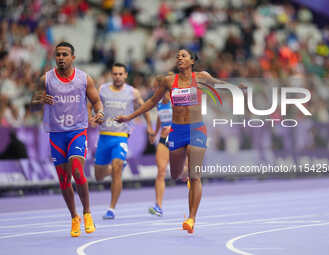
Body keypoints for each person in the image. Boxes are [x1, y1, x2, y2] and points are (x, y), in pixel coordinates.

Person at [116, 49, 244, 233]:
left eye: (183, 56)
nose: (179, 58)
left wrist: (237, 88)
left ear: (192, 60)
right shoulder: (169, 81)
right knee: (176, 174)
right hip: (176, 132)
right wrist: (130, 117)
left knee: (195, 175)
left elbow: (220, 85)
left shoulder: (201, 77)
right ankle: (184, 174)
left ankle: (191, 218)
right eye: (177, 56)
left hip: (196, 129)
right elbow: (152, 101)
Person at [31, 41, 104, 237]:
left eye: (65, 54)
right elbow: (32, 103)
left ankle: (87, 213)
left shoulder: (84, 79)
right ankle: (74, 217)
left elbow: (96, 101)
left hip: (77, 131)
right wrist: (39, 100)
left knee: (78, 172)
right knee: (64, 180)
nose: (61, 58)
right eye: (58, 55)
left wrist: (100, 113)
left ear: (73, 57)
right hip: (56, 133)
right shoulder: (45, 79)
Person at [93, 63, 154, 220]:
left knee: (117, 167)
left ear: (126, 75)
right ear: (111, 75)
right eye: (115, 74)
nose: (118, 77)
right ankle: (113, 168)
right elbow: (91, 105)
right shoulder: (102, 90)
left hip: (121, 136)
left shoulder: (132, 92)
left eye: (121, 74)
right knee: (98, 176)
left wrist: (149, 127)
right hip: (104, 136)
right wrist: (92, 117)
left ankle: (111, 208)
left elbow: (145, 107)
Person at [148, 90, 172, 216]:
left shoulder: (178, 103)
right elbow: (159, 118)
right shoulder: (159, 104)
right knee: (161, 171)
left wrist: (173, 127)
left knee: (185, 172)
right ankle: (158, 205)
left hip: (178, 139)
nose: (166, 94)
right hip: (164, 140)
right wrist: (155, 132)